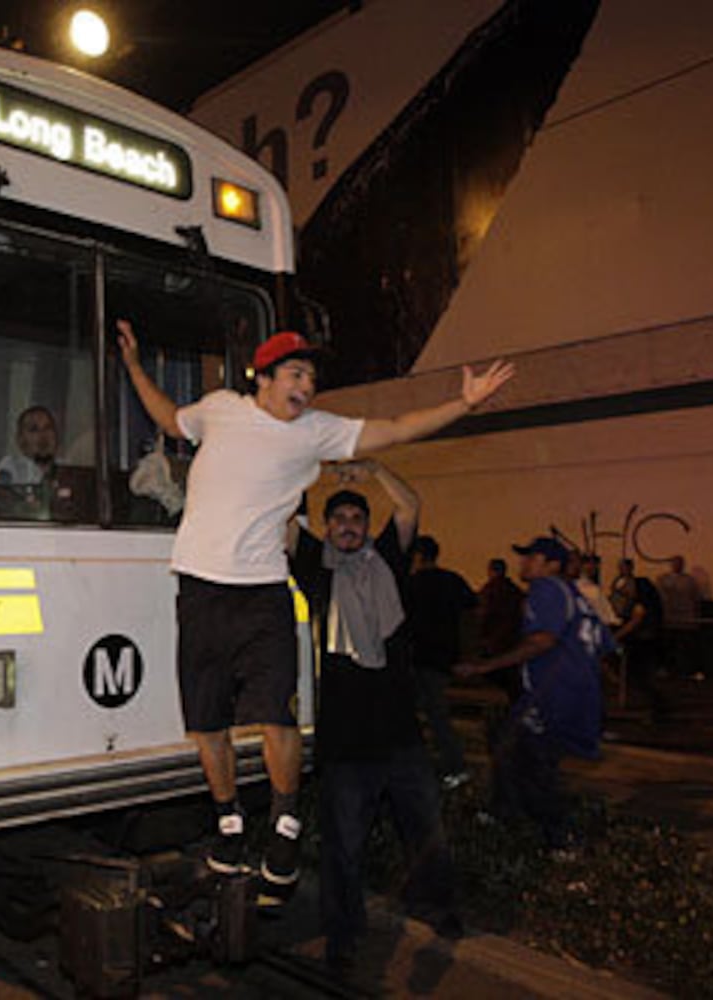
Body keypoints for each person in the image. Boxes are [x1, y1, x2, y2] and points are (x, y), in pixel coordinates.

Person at [115, 317, 515, 902]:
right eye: (297, 373)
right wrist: (131, 367)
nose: (306, 386)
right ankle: (228, 822)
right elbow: (170, 417)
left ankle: (283, 823)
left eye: (312, 378)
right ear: (266, 376)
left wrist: (464, 402)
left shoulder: (317, 431)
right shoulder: (222, 408)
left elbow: (397, 427)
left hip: (263, 593)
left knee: (276, 714)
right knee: (207, 725)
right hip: (200, 589)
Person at [294, 466, 462, 968]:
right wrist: (302, 461)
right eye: (339, 519)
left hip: (401, 735)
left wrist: (374, 471)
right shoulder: (314, 566)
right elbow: (282, 513)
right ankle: (342, 935)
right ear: (326, 527)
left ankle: (436, 906)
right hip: (345, 742)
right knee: (342, 847)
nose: (348, 525)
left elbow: (410, 504)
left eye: (356, 518)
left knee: (426, 829)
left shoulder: (387, 558)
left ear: (367, 526)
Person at [457, 537, 612, 854]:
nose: (524, 562)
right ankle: (505, 811)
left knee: (535, 763)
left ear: (552, 564)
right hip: (570, 691)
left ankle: (561, 837)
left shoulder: (546, 589)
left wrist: (485, 665)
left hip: (554, 694)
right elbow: (605, 644)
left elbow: (543, 640)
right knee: (507, 740)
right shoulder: (575, 594)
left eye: (532, 557)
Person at [406, 535, 478, 789]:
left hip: (418, 657)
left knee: (424, 715)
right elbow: (471, 609)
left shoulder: (411, 584)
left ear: (417, 556)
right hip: (444, 658)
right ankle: (445, 766)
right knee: (436, 714)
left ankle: (451, 767)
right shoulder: (452, 580)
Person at [610, 558, 667, 722]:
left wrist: (615, 636)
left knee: (639, 677)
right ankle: (654, 706)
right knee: (644, 677)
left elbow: (634, 622)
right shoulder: (650, 601)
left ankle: (653, 707)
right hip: (650, 640)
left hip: (642, 642)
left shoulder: (640, 603)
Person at [476, 557, 526, 703]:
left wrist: (482, 637)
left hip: (494, 642)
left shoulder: (490, 590)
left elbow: (484, 615)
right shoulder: (514, 591)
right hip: (512, 641)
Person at [0, 405, 58, 487]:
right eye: (34, 429)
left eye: (48, 428)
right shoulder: (10, 468)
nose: (43, 435)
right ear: (20, 439)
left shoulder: (65, 469)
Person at [657, 555, 704, 681]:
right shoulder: (663, 580)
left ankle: (687, 671)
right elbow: (660, 599)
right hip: (669, 618)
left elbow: (695, 600)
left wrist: (696, 618)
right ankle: (667, 669)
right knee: (668, 646)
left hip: (686, 619)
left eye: (680, 563)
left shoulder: (690, 581)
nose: (677, 565)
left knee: (686, 647)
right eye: (675, 563)